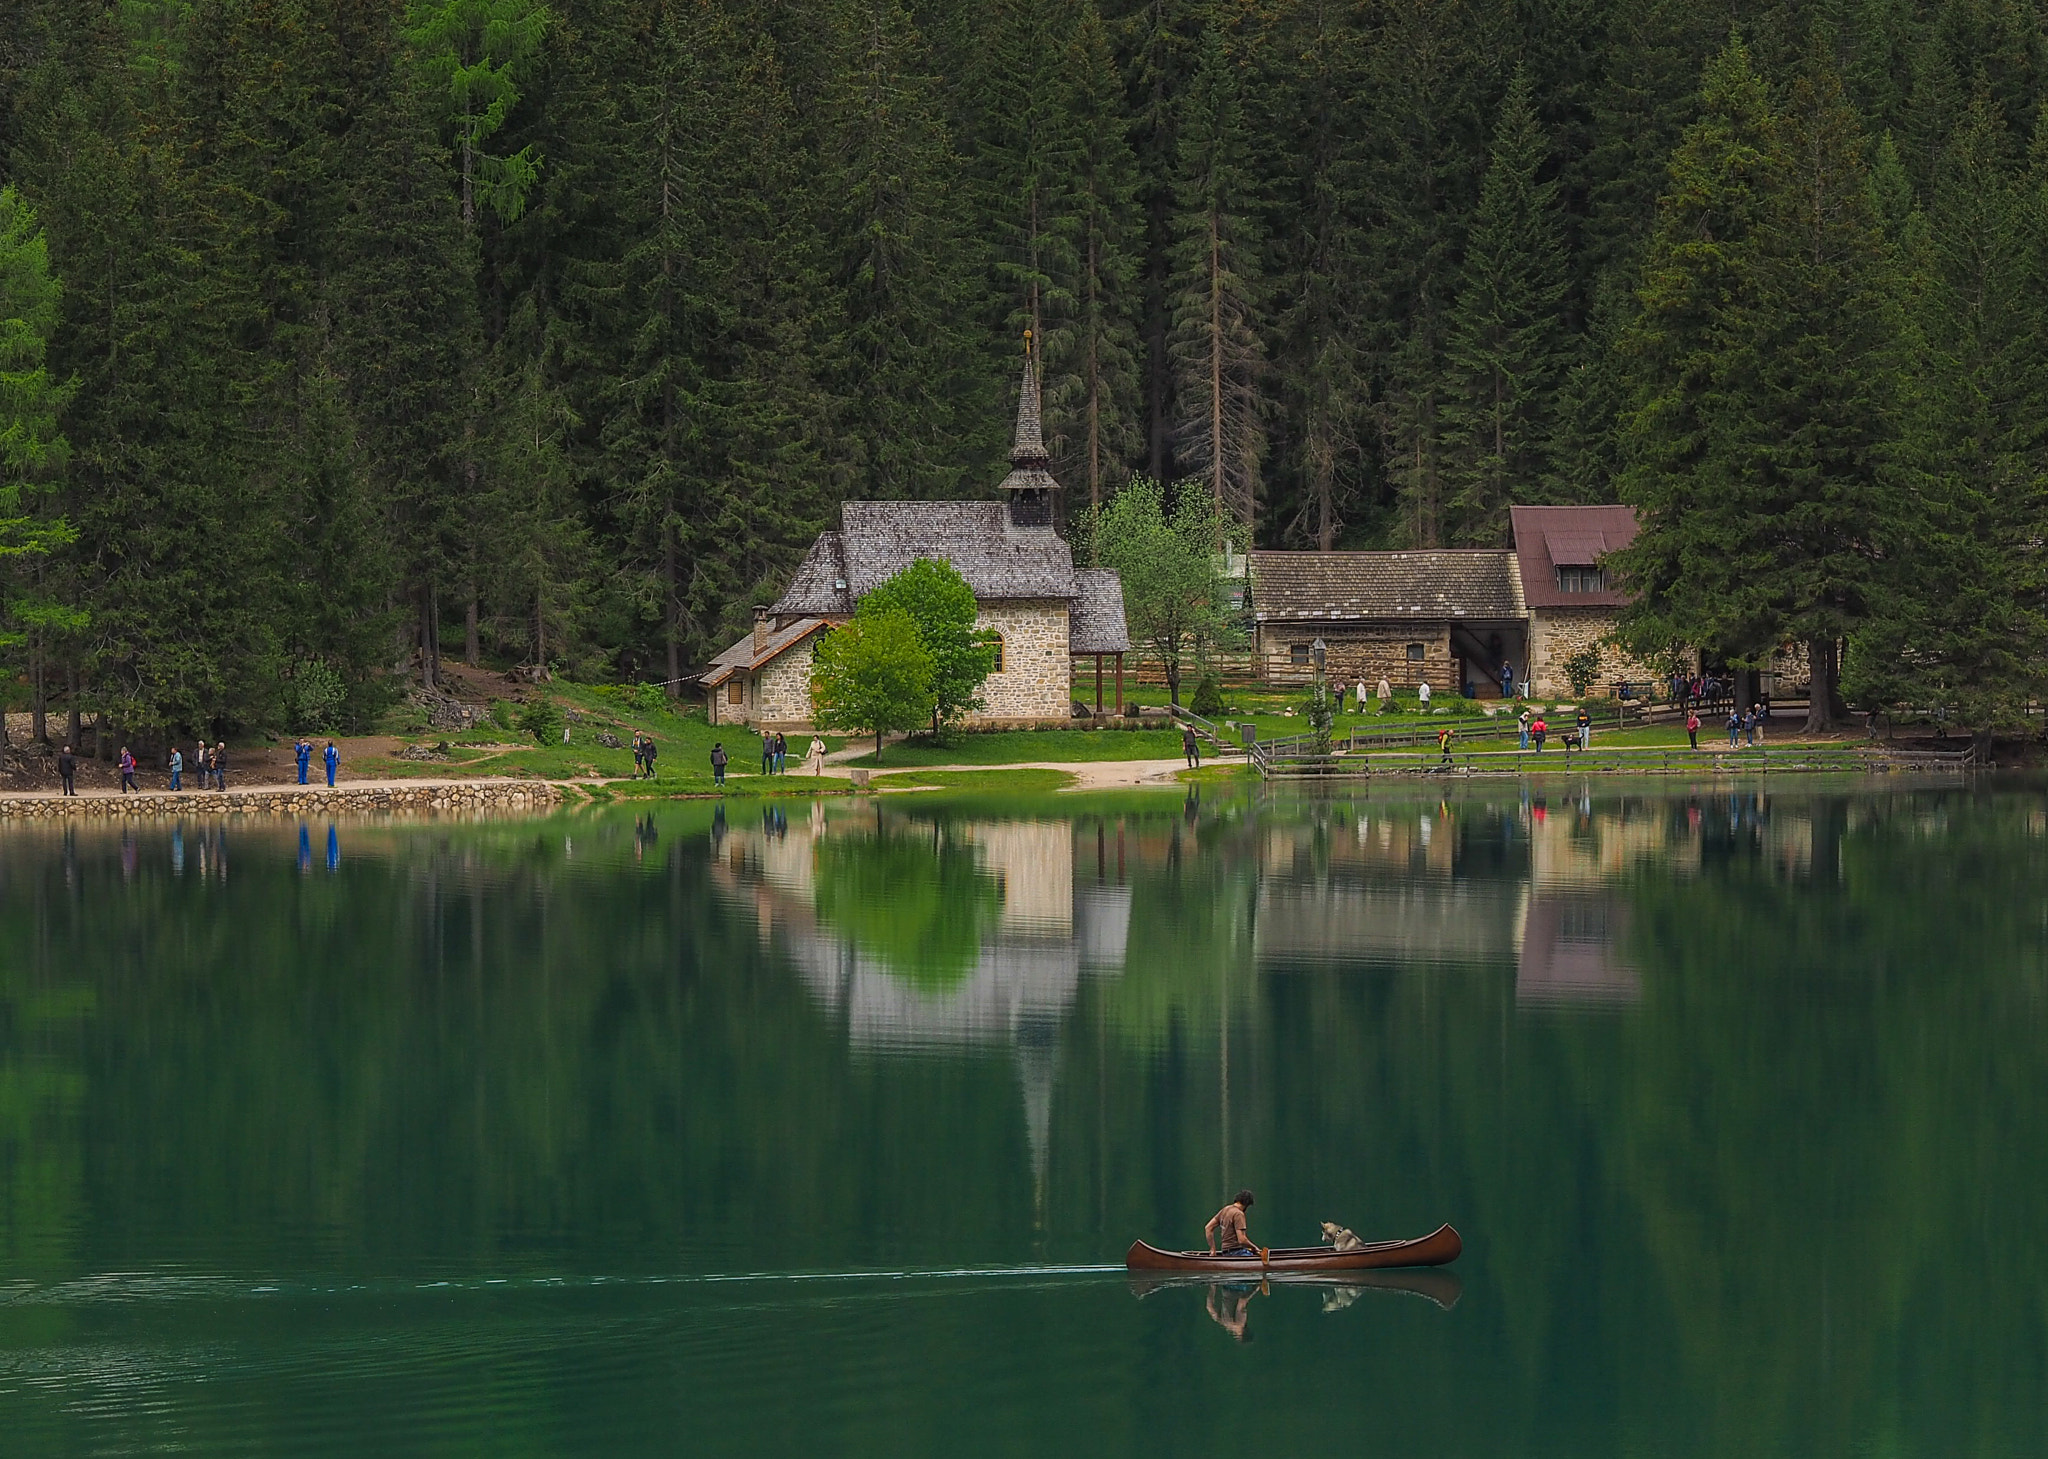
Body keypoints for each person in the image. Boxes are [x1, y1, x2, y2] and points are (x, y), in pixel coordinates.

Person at [1205, 1189, 1257, 1257]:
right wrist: (1255, 1248)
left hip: (1225, 1252)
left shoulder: (1225, 1209)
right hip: (1237, 1252)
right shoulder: (1238, 1214)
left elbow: (1208, 1228)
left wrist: (1212, 1249)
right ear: (1246, 1204)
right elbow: (1242, 1240)